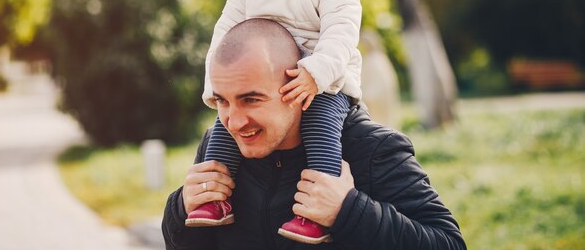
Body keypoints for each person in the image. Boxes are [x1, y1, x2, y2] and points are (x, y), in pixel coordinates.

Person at [162, 18, 467, 250]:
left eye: (251, 99)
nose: (234, 121)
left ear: (298, 89)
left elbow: (448, 243)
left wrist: (349, 210)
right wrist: (181, 207)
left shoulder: (371, 149)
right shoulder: (220, 146)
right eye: (222, 101)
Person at [185, 0, 362, 244]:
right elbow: (225, 31)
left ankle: (317, 213)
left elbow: (342, 32)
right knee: (224, 129)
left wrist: (317, 72)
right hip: (260, 85)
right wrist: (218, 88)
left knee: (320, 130)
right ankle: (214, 200)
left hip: (324, 84)